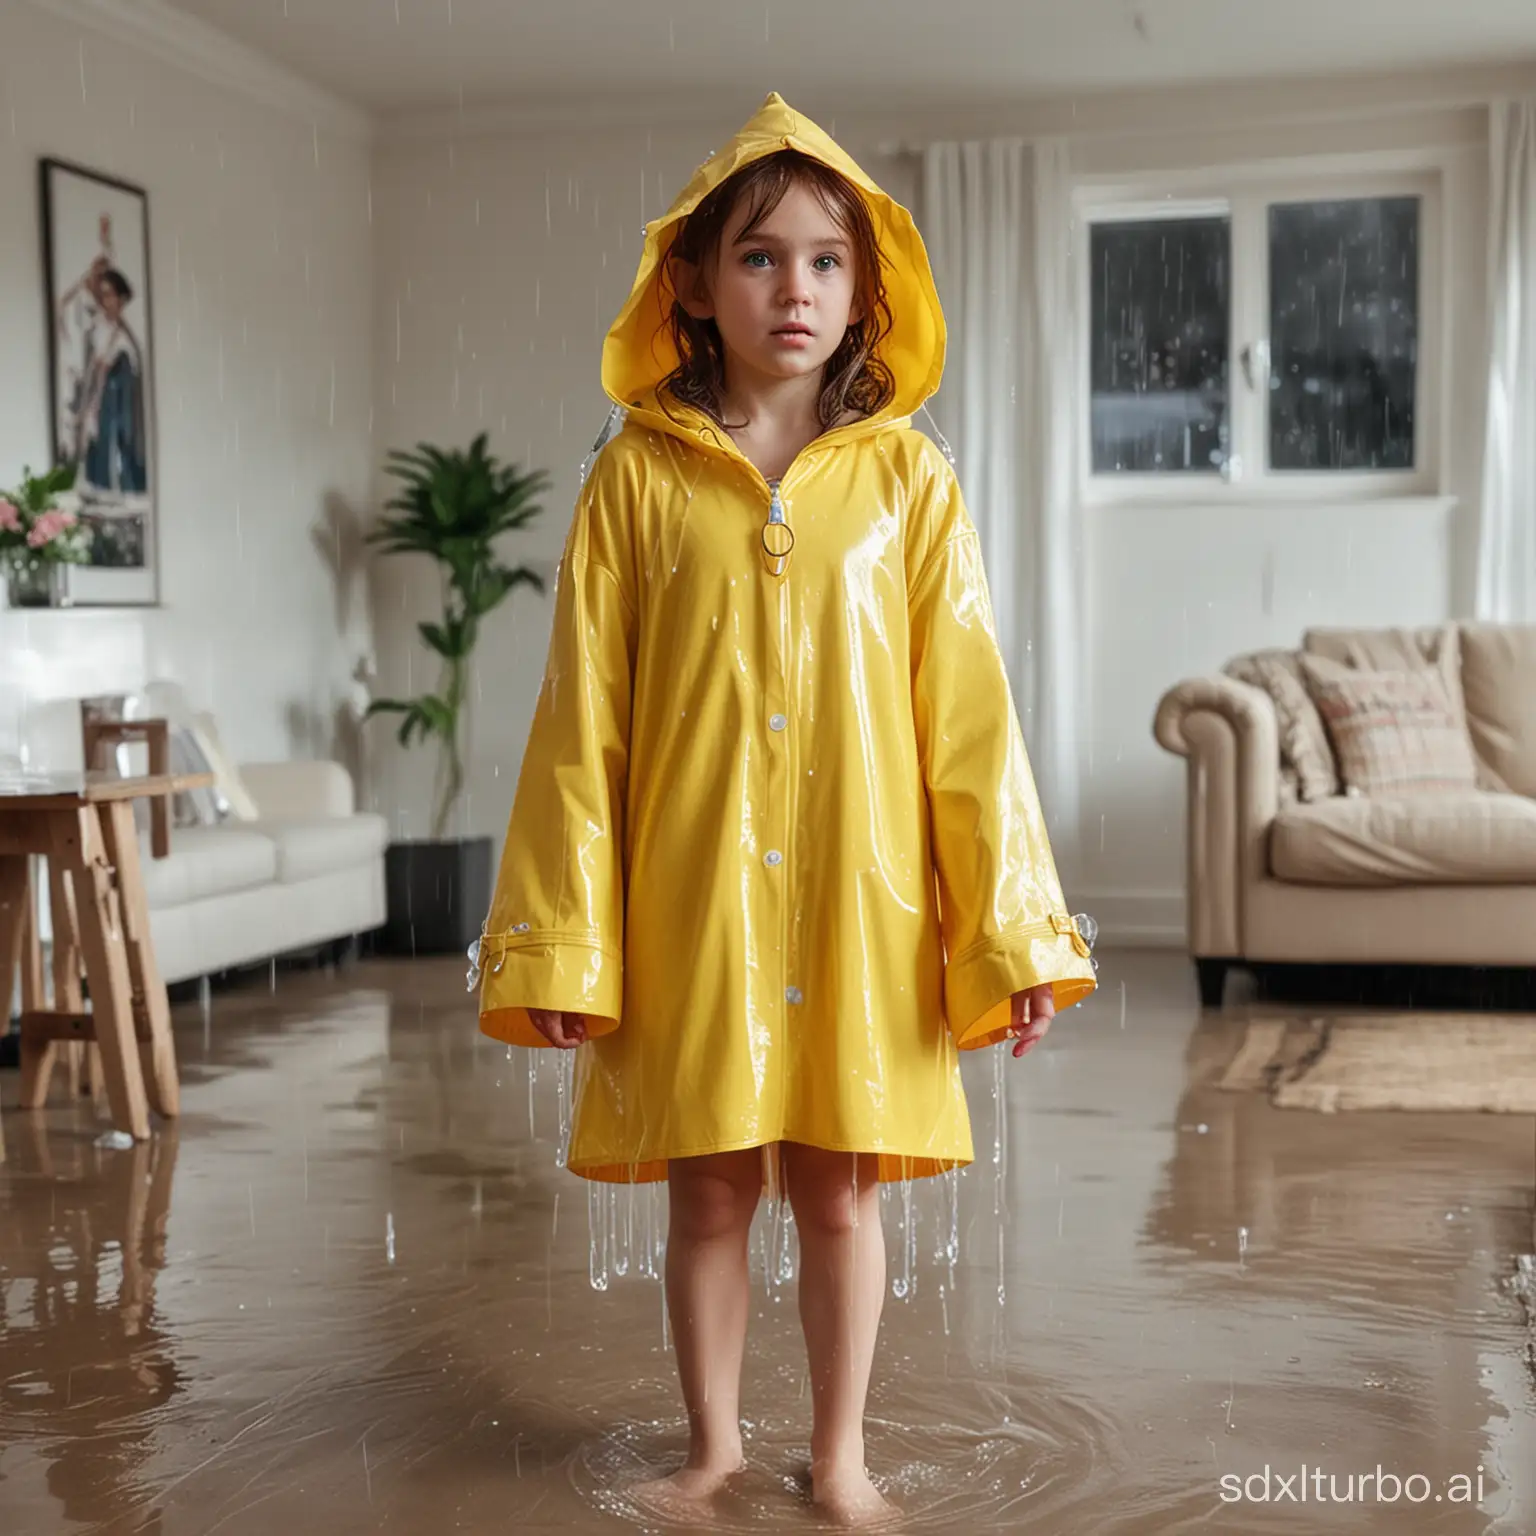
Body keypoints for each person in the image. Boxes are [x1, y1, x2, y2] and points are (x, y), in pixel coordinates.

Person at [475, 92, 1097, 1528]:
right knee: (706, 1192)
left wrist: (1004, 933)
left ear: (867, 285)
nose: (795, 289)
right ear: (692, 282)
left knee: (837, 1193)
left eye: (826, 261)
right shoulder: (635, 479)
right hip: (692, 896)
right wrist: (566, 937)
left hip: (859, 897)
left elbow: (972, 724)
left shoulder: (907, 482)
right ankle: (710, 1450)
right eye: (759, 258)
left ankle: (842, 1455)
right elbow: (584, 722)